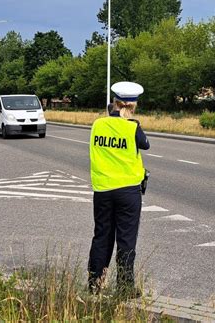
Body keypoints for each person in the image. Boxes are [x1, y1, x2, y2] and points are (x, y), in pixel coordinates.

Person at [88, 81, 150, 298]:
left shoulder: (98, 125)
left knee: (102, 236)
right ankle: (124, 288)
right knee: (125, 240)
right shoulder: (133, 127)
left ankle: (95, 283)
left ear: (113, 103)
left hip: (103, 190)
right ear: (133, 106)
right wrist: (132, 121)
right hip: (127, 193)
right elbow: (145, 144)